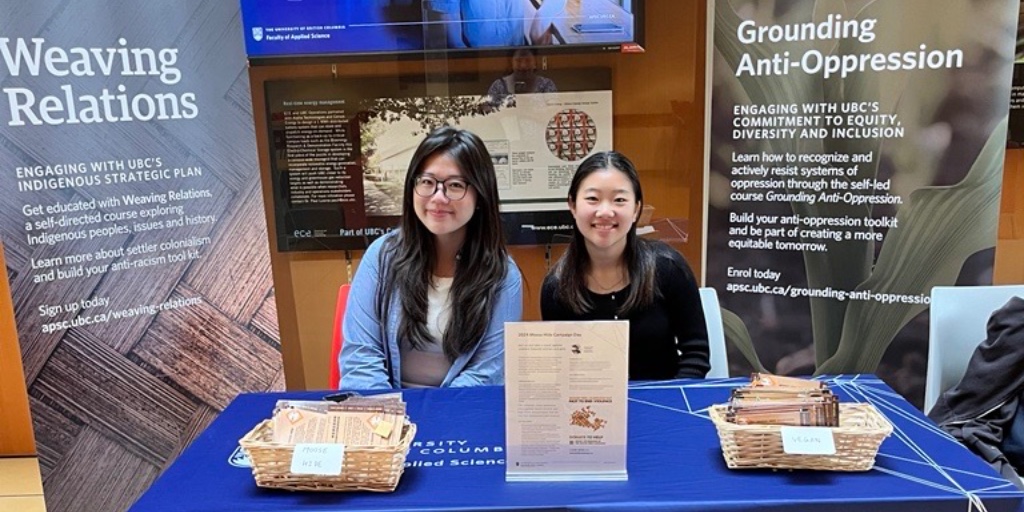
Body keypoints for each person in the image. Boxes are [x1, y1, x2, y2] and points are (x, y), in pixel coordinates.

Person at [339, 127, 523, 389]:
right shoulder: (382, 256)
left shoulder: (502, 274)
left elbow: (487, 372)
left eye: (455, 185)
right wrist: (391, 420)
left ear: (480, 195)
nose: (438, 197)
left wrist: (437, 419)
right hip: (387, 413)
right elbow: (361, 358)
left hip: (458, 411)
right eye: (427, 182)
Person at [540, 151, 710, 380]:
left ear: (636, 209)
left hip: (662, 407)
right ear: (572, 205)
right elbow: (563, 371)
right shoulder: (556, 287)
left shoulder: (668, 268)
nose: (605, 212)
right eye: (593, 199)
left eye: (619, 200)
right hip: (591, 412)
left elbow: (696, 354)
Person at [487, 48, 558, 100]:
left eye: (528, 60)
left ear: (535, 62)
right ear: (511, 63)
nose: (523, 66)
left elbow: (552, 111)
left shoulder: (547, 85)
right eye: (518, 61)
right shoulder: (498, 86)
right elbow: (491, 115)